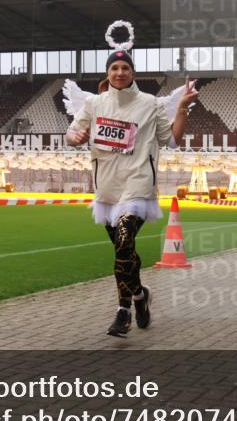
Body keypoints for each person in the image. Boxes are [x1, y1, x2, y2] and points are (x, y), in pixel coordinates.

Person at [66, 44, 199, 337]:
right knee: (124, 252)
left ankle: (122, 311)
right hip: (108, 190)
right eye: (115, 67)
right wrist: (75, 137)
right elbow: (73, 134)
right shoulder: (94, 104)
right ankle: (140, 296)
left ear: (133, 72)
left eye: (125, 67)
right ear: (108, 73)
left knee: (124, 241)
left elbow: (170, 140)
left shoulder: (150, 103)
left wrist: (181, 109)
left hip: (138, 185)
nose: (120, 72)